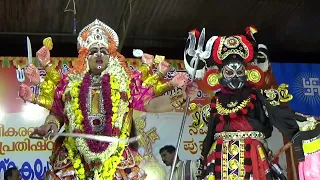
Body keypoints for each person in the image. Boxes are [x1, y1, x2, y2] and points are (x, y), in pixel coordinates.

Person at [18, 19, 198, 180]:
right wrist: (49, 126)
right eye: (93, 51)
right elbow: (56, 113)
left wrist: (183, 97)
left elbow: (151, 104)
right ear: (85, 57)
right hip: (74, 158)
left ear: (110, 56)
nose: (98, 54)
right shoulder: (69, 84)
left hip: (116, 160)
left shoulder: (125, 83)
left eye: (103, 51)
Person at [183, 27, 320, 180]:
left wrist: (306, 124)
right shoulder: (216, 103)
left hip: (252, 156)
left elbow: (282, 117)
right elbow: (209, 136)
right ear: (219, 75)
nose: (235, 76)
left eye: (239, 71)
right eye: (229, 72)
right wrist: (202, 163)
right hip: (219, 158)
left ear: (248, 73)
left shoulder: (258, 97)